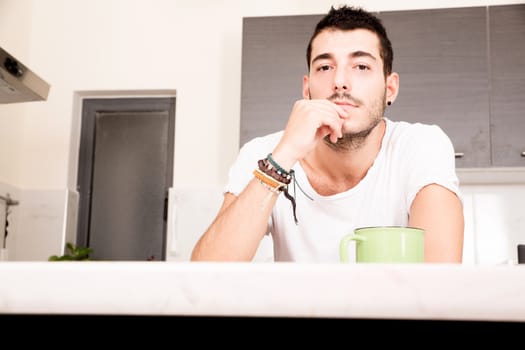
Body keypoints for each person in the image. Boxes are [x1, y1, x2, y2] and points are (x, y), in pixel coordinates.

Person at [191, 5, 464, 263]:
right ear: (307, 88)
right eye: (325, 67)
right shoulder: (264, 154)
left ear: (390, 88)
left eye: (361, 66)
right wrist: (283, 157)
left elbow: (439, 280)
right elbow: (204, 274)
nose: (340, 82)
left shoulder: (421, 146)